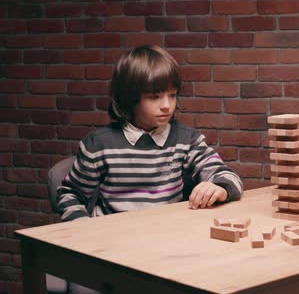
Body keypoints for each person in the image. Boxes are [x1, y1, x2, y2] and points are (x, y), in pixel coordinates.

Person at [57, 45, 243, 222]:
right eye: (154, 97)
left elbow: (229, 177)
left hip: (164, 234)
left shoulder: (187, 140)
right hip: (112, 237)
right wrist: (83, 228)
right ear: (129, 98)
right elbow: (70, 195)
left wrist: (219, 188)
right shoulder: (98, 144)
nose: (166, 105)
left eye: (172, 95)